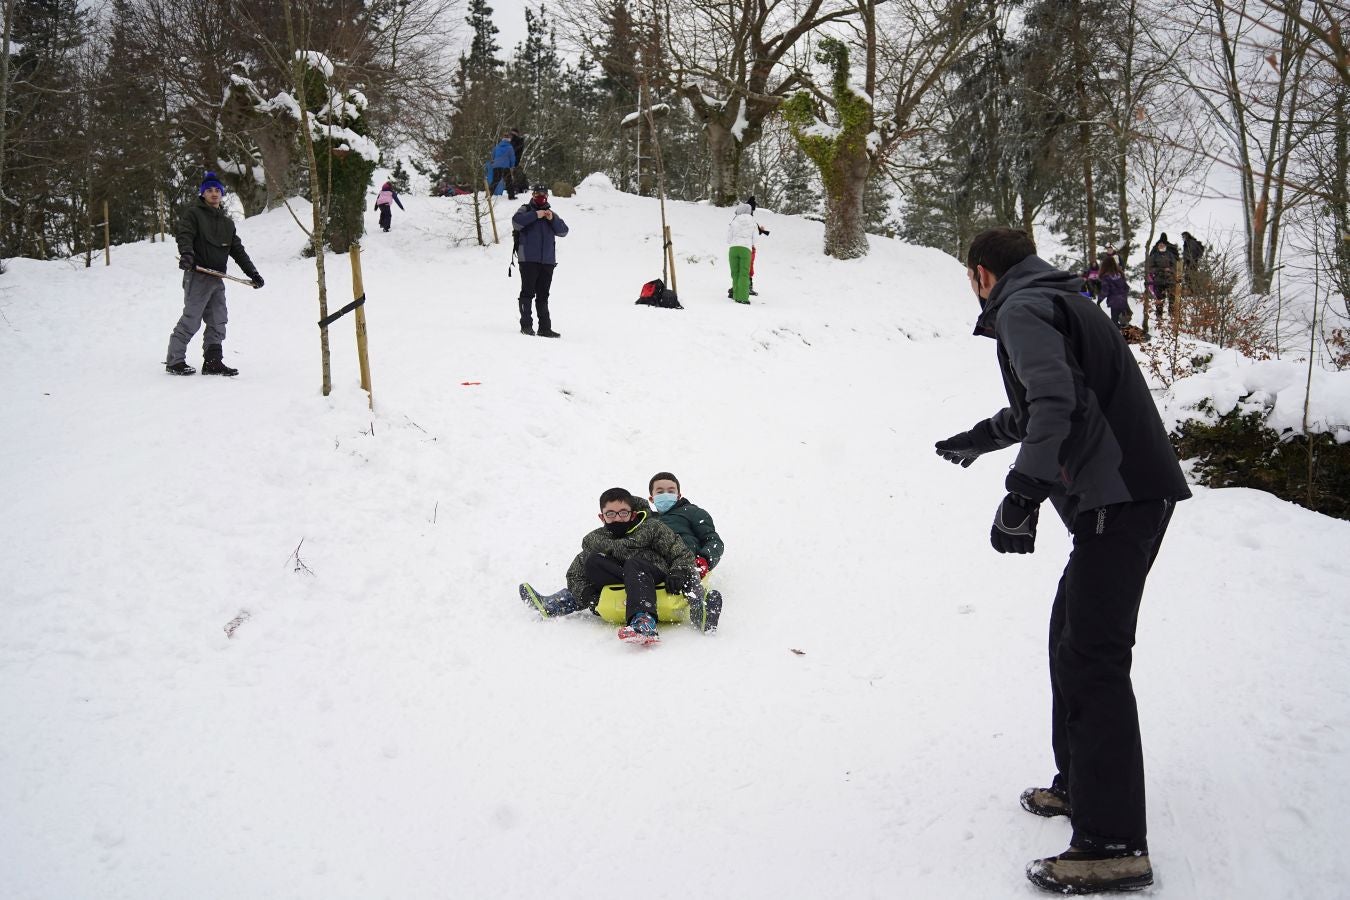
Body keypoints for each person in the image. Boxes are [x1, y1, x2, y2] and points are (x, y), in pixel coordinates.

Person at [934, 227, 1190, 895]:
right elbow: (1042, 405)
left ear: (981, 274)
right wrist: (980, 438)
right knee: (1069, 636)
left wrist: (1020, 495)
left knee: (1093, 658)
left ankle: (1113, 845)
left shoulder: (1023, 309)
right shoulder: (1057, 300)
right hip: (1126, 492)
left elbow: (1057, 404)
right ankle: (1080, 787)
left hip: (1119, 494)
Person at [524, 488, 705, 643]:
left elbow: (681, 552)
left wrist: (678, 572)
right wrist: (588, 595)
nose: (617, 518)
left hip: (652, 574)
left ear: (632, 514)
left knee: (634, 564)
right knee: (593, 561)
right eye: (611, 514)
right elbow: (575, 573)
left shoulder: (652, 528)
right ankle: (556, 605)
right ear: (602, 517)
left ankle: (644, 622)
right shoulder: (596, 540)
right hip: (624, 578)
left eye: (623, 513)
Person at [165, 171, 263, 376]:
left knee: (218, 319)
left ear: (222, 193)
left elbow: (237, 251)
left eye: (217, 190)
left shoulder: (228, 224)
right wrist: (187, 255)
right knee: (191, 319)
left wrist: (252, 273)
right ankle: (174, 361)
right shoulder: (194, 215)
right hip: (198, 276)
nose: (214, 193)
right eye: (209, 190)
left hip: (217, 278)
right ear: (202, 194)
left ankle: (213, 362)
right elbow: (185, 235)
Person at [511, 183, 569, 337]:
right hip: (528, 259)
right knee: (527, 293)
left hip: (547, 261)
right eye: (538, 194)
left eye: (544, 194)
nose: (541, 197)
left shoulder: (551, 213)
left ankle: (544, 328)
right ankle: (526, 325)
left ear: (547, 196)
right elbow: (516, 222)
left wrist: (551, 219)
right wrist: (536, 215)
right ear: (533, 195)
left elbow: (563, 231)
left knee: (543, 295)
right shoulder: (525, 209)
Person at [648, 471, 725, 578]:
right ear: (651, 498)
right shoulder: (648, 520)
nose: (666, 495)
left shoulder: (692, 513)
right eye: (660, 492)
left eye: (671, 491)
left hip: (686, 566)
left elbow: (713, 541)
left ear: (678, 496)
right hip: (655, 568)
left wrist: (704, 559)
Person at [729, 196, 771, 299]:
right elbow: (754, 234)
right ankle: (745, 288)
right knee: (746, 269)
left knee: (737, 270)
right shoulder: (750, 219)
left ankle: (736, 290)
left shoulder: (736, 219)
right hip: (748, 247)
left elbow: (730, 234)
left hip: (735, 247)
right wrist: (759, 232)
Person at [727, 202, 757, 304]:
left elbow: (728, 239)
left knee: (735, 273)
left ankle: (735, 295)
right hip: (745, 249)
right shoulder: (753, 222)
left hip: (733, 249)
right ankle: (743, 297)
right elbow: (755, 240)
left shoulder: (734, 221)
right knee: (744, 274)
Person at [1144, 237, 1179, 318]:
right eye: (1159, 245)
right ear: (1158, 246)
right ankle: (1159, 316)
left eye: (1162, 244)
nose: (1161, 246)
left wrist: (1170, 270)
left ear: (1165, 245)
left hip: (1170, 280)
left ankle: (1171, 314)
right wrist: (1161, 269)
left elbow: (1175, 266)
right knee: (1159, 299)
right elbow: (1150, 268)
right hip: (1158, 280)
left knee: (1172, 298)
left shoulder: (1170, 255)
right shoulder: (1154, 255)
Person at [1098, 255, 1131, 326]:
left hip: (1114, 302)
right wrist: (1123, 297)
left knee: (1115, 323)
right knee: (1124, 322)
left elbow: (1105, 291)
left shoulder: (1106, 277)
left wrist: (1099, 300)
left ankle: (1119, 336)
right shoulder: (1120, 274)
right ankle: (1132, 335)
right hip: (1123, 302)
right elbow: (1127, 287)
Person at [489, 134, 517, 200]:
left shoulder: (497, 146)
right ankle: (511, 196)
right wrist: (512, 166)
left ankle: (489, 194)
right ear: (508, 140)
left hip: (496, 166)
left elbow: (493, 156)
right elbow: (512, 157)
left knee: (495, 180)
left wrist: (494, 163)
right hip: (505, 166)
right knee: (508, 181)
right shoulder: (510, 147)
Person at [508, 128, 527, 195]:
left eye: (512, 134)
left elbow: (515, 149)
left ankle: (516, 188)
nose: (510, 135)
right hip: (512, 161)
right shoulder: (513, 141)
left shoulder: (518, 141)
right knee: (513, 175)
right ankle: (516, 188)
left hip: (515, 161)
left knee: (515, 175)